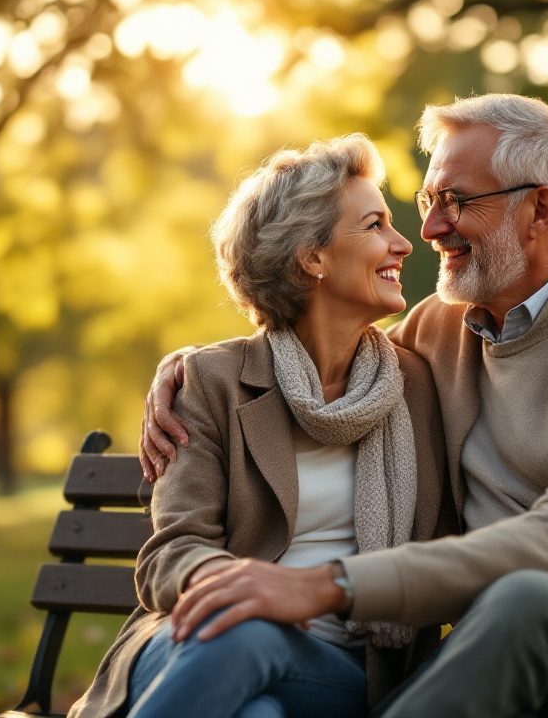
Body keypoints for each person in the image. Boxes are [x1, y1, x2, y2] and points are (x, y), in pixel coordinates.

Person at [140, 94, 548, 718]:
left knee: (526, 604)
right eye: (428, 202)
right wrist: (194, 369)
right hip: (491, 654)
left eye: (455, 201)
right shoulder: (441, 328)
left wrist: (323, 586)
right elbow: (316, 359)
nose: (429, 230)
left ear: (539, 209)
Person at [69, 134, 455, 718]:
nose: (403, 243)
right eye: (375, 224)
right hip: (193, 642)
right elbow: (169, 555)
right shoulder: (212, 383)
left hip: (345, 675)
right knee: (248, 664)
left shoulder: (419, 386)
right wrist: (251, 591)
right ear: (312, 256)